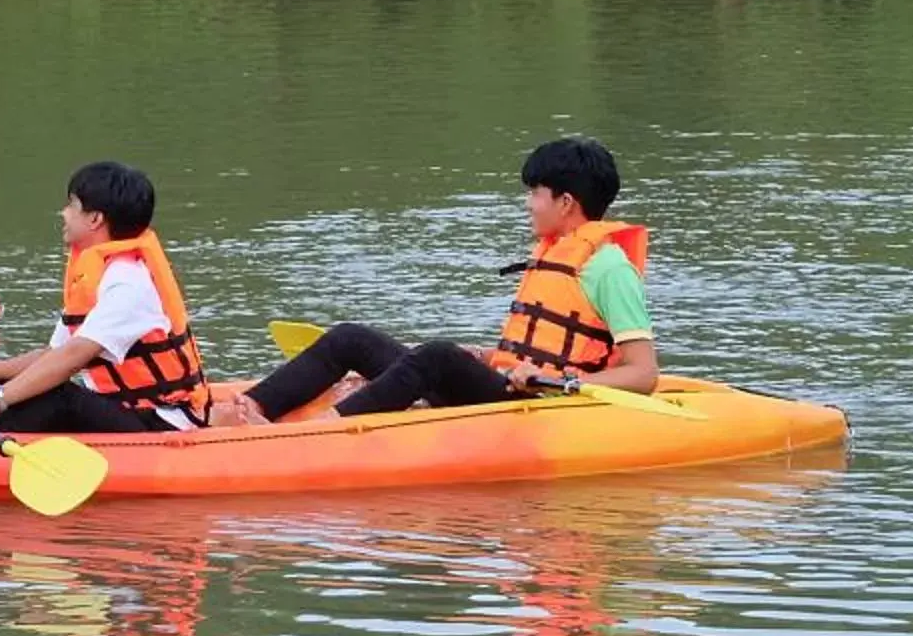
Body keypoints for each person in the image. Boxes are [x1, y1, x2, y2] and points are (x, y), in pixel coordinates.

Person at [213, 137, 656, 425]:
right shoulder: (554, 254)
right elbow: (532, 345)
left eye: (534, 193)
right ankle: (251, 408)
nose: (528, 204)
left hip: (539, 407)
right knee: (352, 338)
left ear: (565, 202)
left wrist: (559, 382)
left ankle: (322, 430)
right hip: (503, 386)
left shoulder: (609, 269)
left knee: (436, 356)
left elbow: (643, 374)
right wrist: (485, 355)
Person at [0, 160, 210, 435]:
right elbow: (54, 354)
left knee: (53, 395)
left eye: (71, 205)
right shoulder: (101, 272)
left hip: (162, 424)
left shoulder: (128, 283)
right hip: (128, 410)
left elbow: (69, 360)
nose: (63, 213)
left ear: (95, 219)